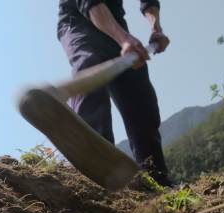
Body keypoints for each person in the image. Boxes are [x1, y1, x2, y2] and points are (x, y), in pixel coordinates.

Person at [57, 0, 172, 187]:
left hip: (115, 24)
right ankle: (96, 171)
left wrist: (156, 28)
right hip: (78, 24)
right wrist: (124, 39)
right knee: (89, 65)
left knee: (142, 102)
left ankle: (156, 180)